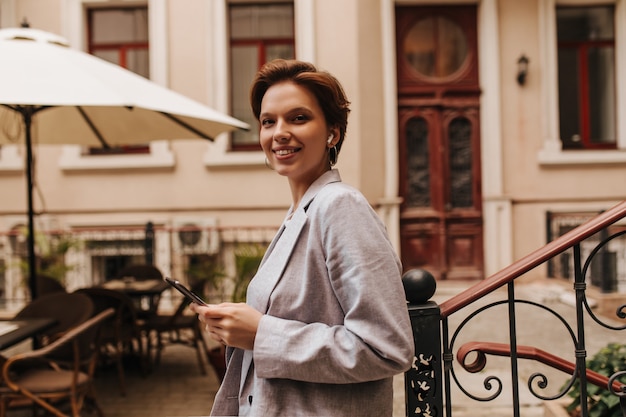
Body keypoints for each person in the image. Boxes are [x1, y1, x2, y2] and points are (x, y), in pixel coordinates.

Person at [191, 59, 414, 417]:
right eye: (268, 121)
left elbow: (386, 347)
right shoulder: (301, 212)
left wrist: (262, 334)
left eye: (298, 118)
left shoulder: (341, 206)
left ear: (333, 133)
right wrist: (238, 326)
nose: (279, 132)